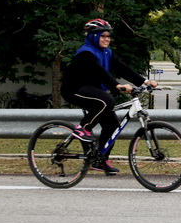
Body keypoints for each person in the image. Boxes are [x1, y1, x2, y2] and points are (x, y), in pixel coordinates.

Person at [61, 18, 158, 175]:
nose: (107, 39)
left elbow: (122, 69)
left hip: (92, 91)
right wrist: (116, 85)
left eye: (108, 36)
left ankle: (100, 160)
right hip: (74, 90)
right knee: (107, 101)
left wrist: (145, 81)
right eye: (103, 36)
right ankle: (83, 129)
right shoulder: (86, 53)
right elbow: (99, 72)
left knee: (112, 125)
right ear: (93, 36)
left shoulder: (107, 52)